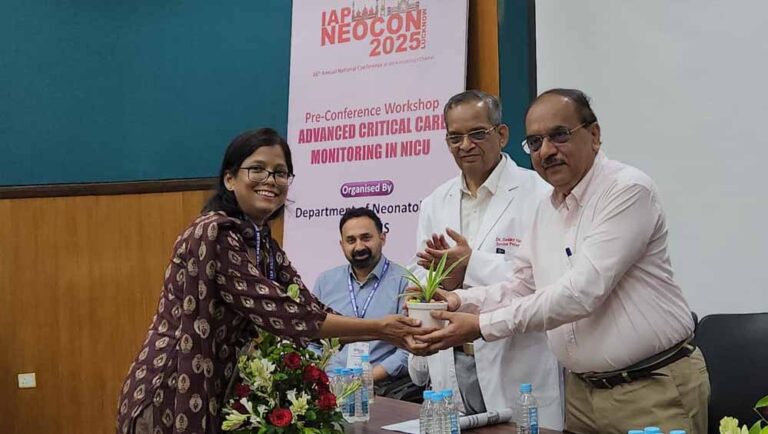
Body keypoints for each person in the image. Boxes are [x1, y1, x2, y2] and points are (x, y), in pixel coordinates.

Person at [417, 89, 710, 433]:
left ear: (594, 134)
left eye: (559, 135)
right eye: (535, 142)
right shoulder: (548, 207)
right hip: (581, 393)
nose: (546, 151)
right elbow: (522, 285)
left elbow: (581, 293)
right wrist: (459, 300)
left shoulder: (627, 190)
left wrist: (481, 325)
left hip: (648, 387)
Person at [116, 128, 431, 434]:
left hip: (218, 388)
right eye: (257, 169)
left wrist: (397, 331)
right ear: (229, 179)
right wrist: (380, 329)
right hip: (172, 389)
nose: (270, 180)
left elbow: (308, 306)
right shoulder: (214, 233)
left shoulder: (262, 242)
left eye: (280, 172)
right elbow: (284, 313)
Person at [407, 90, 563, 427]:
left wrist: (470, 265)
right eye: (455, 137)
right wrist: (435, 282)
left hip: (515, 357)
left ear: (502, 134)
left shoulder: (540, 194)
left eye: (477, 133)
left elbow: (542, 279)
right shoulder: (434, 202)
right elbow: (421, 272)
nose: (465, 145)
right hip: (453, 361)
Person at [313, 207, 415, 397]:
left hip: (383, 389)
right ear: (342, 244)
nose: (359, 247)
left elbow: (409, 348)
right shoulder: (325, 282)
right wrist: (327, 377)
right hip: (329, 388)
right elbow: (312, 341)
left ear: (383, 238)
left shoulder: (406, 281)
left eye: (366, 238)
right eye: (351, 240)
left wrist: (364, 379)